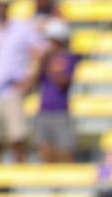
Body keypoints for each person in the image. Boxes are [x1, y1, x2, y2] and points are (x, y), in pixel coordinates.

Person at [0, 0, 42, 162]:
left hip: (12, 90)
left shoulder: (21, 28)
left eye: (1, 5)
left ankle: (19, 180)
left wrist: (29, 81)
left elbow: (38, 53)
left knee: (17, 138)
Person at [27, 16, 76, 163]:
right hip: (43, 112)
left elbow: (63, 82)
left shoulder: (68, 58)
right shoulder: (44, 60)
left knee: (64, 154)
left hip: (60, 112)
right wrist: (38, 63)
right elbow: (33, 83)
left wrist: (47, 63)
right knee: (45, 153)